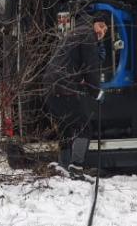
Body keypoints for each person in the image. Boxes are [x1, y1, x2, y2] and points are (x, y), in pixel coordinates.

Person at [43, 11, 108, 174]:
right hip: (65, 87)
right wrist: (97, 92)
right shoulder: (88, 35)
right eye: (101, 26)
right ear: (94, 23)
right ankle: (76, 166)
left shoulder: (75, 32)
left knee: (66, 126)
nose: (102, 31)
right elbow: (90, 69)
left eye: (105, 30)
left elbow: (77, 62)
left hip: (50, 87)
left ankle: (63, 166)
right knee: (84, 127)